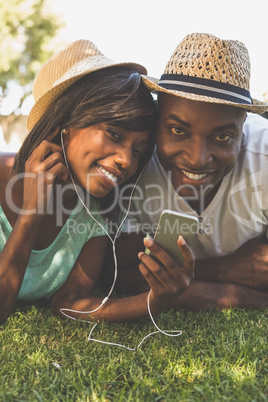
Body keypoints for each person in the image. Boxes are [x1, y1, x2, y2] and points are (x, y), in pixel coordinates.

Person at [0, 39, 195, 324]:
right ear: (65, 124)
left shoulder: (93, 215)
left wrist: (154, 300)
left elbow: (70, 302)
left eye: (138, 151)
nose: (126, 161)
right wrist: (31, 213)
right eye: (114, 134)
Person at [102, 32, 268, 311]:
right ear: (158, 117)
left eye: (223, 137)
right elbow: (117, 274)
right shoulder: (133, 160)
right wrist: (223, 273)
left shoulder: (263, 157)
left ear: (244, 124)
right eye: (178, 130)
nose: (197, 159)